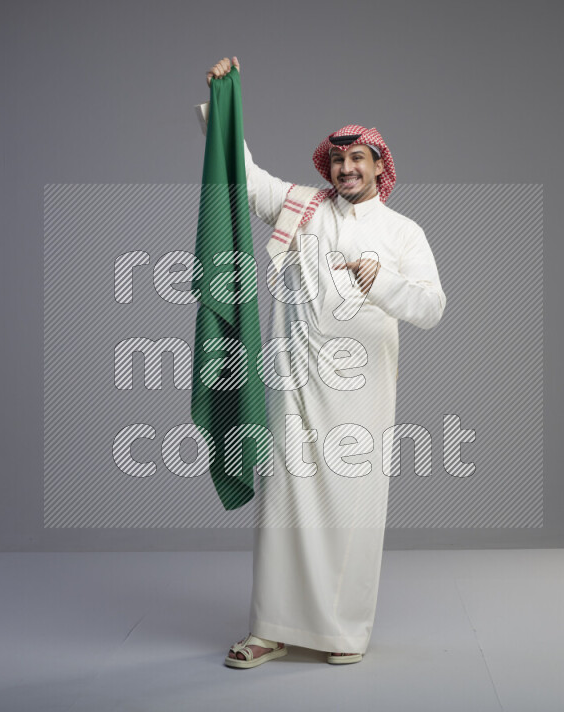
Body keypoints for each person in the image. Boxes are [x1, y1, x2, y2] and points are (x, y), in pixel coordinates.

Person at [198, 57, 447, 668]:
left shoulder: (403, 233)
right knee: (282, 505)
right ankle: (269, 629)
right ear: (327, 166)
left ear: (379, 167)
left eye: (358, 159)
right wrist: (222, 100)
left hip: (363, 395)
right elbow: (246, 176)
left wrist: (381, 279)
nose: (346, 168)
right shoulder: (301, 207)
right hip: (295, 386)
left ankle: (343, 631)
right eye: (338, 160)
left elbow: (432, 307)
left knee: (353, 511)